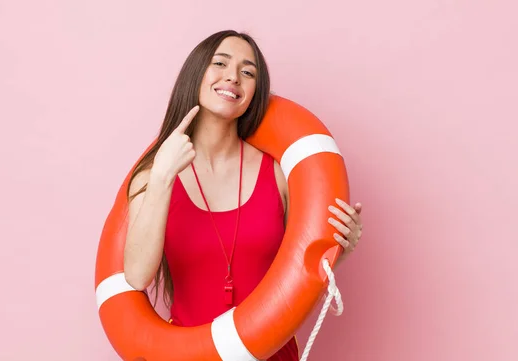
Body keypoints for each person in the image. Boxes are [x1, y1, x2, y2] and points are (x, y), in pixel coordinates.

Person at [123, 29, 363, 360]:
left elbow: (300, 274)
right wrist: (164, 174)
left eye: (247, 72)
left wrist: (339, 250)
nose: (233, 77)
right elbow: (136, 276)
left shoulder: (278, 173)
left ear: (254, 92)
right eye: (220, 63)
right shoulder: (154, 175)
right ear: (196, 75)